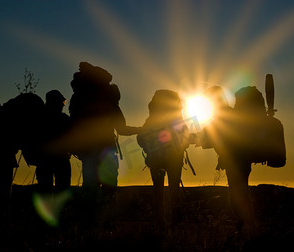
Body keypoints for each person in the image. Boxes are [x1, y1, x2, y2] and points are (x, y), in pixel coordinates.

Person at [68, 62, 140, 203]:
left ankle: (89, 220)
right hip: (107, 148)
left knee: (89, 189)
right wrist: (141, 130)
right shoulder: (109, 100)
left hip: (87, 150)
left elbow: (73, 125)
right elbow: (121, 129)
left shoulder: (78, 98)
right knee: (109, 188)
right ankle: (104, 219)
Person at [193, 86, 257, 235]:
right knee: (239, 193)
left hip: (236, 162)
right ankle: (246, 227)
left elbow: (209, 137)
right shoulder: (229, 114)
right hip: (241, 161)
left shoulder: (222, 116)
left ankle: (246, 227)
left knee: (236, 195)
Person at [137, 89, 190, 227]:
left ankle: (160, 224)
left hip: (156, 159)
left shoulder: (152, 118)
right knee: (174, 192)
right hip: (175, 159)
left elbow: (141, 138)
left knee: (158, 194)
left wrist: (150, 149)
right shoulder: (177, 117)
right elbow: (186, 137)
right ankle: (176, 224)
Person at [35, 90, 72, 194]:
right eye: (62, 102)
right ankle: (61, 210)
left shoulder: (39, 119)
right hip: (59, 159)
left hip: (43, 160)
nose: (63, 105)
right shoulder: (64, 119)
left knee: (45, 190)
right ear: (55, 103)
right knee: (62, 189)